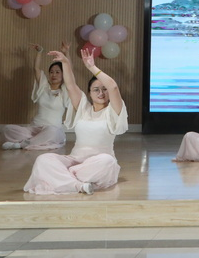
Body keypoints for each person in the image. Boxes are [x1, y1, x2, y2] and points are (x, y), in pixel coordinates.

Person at [24, 47, 128, 194]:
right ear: (89, 93)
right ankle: (78, 185)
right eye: (96, 89)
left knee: (107, 161)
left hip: (97, 163)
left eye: (104, 89)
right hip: (74, 160)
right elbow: (71, 85)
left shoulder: (113, 111)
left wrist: (92, 67)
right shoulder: (82, 107)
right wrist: (65, 62)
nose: (101, 93)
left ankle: (64, 178)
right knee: (43, 159)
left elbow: (114, 87)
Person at [2, 43, 68, 151]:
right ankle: (36, 141)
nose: (54, 75)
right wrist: (39, 52)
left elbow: (70, 71)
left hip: (52, 129)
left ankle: (20, 145)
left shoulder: (64, 90)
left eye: (57, 72)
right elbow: (36, 69)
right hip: (34, 128)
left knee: (52, 132)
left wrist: (66, 54)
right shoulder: (43, 86)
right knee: (8, 129)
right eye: (51, 72)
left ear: (63, 74)